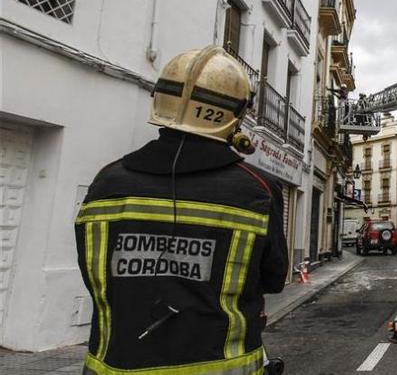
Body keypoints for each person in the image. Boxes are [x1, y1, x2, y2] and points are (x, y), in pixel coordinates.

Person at [75, 46, 289, 374]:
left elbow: (96, 275)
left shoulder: (106, 182)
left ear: (160, 98)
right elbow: (274, 280)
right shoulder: (257, 190)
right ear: (237, 113)